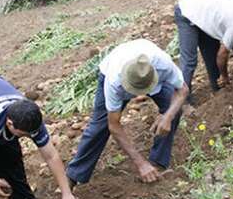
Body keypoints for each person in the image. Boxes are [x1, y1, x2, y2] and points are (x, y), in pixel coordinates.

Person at [66, 39, 189, 186]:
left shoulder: (163, 64)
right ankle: (73, 176)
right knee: (99, 126)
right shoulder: (114, 81)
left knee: (173, 108)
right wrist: (140, 163)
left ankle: (157, 163)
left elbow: (183, 90)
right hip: (113, 66)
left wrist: (167, 116)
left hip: (151, 69)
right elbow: (114, 125)